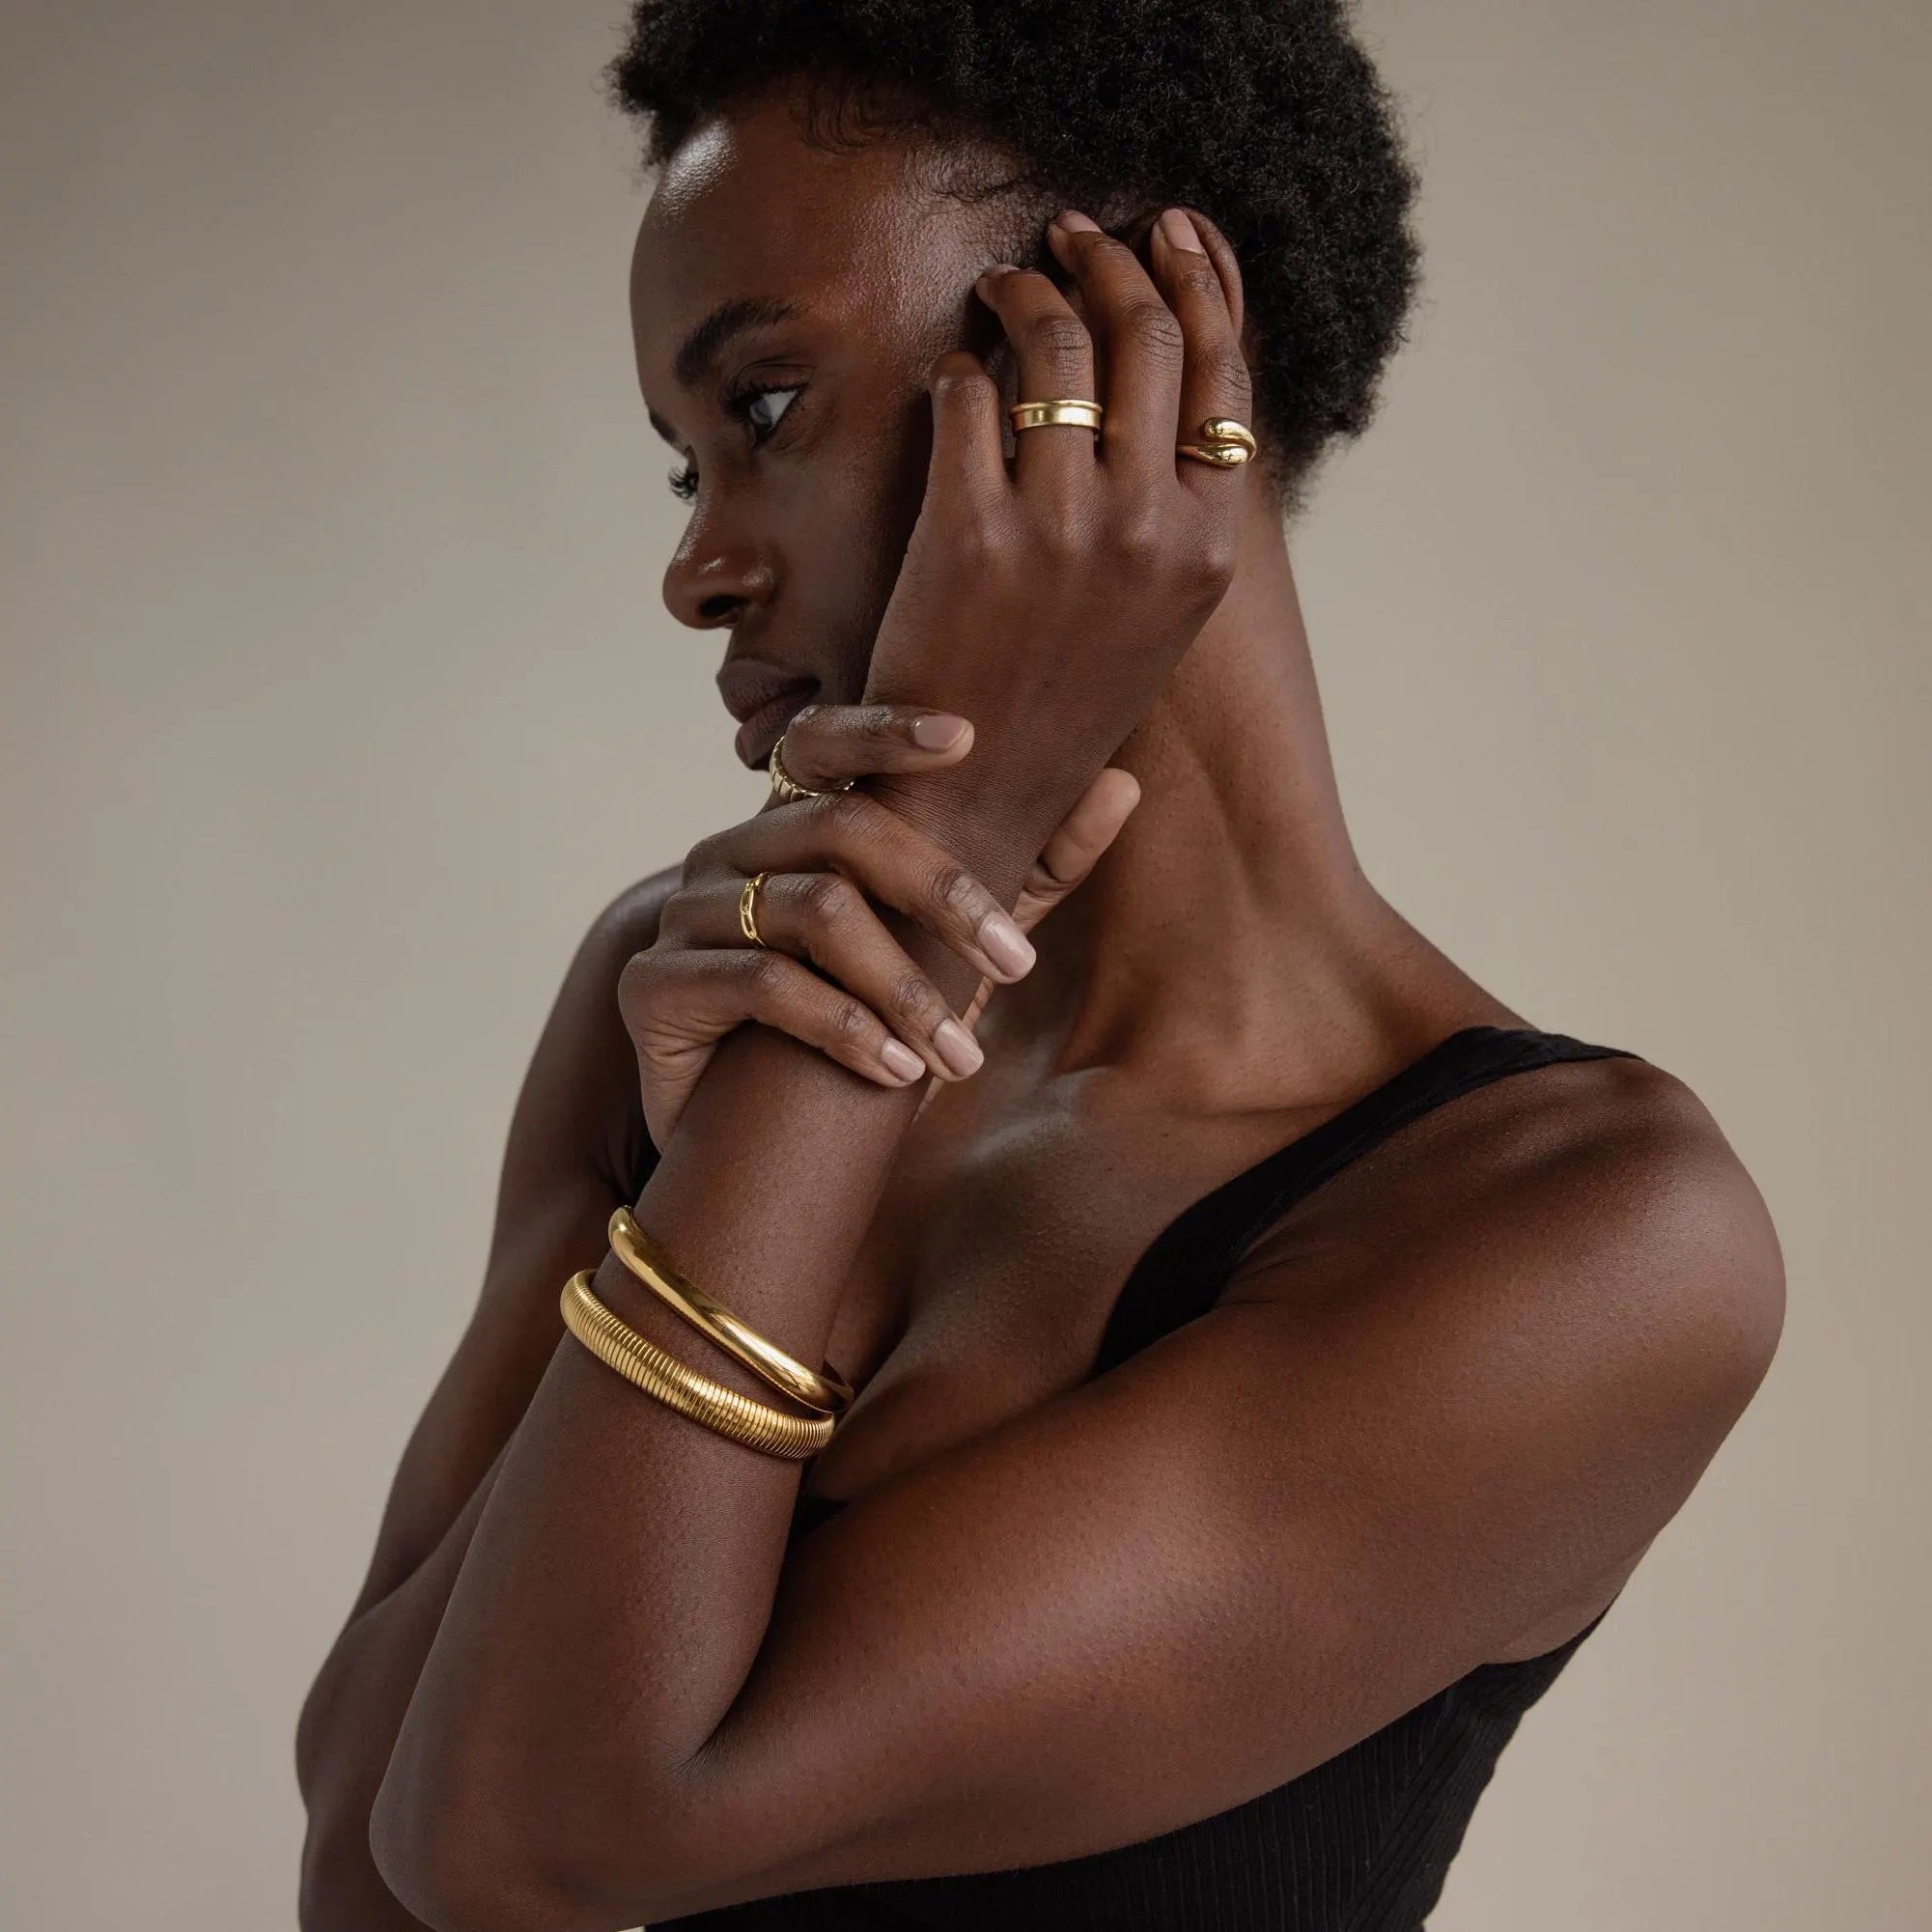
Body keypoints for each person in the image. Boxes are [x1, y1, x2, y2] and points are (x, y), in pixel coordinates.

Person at [295, 6, 1786, 1926]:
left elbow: (529, 1840)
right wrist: (757, 1127)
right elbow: (362, 1873)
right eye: (681, 469)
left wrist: (903, 904)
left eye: (759, 411)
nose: (696, 569)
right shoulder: (678, 991)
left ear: (1144, 344)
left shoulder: (1583, 1240)